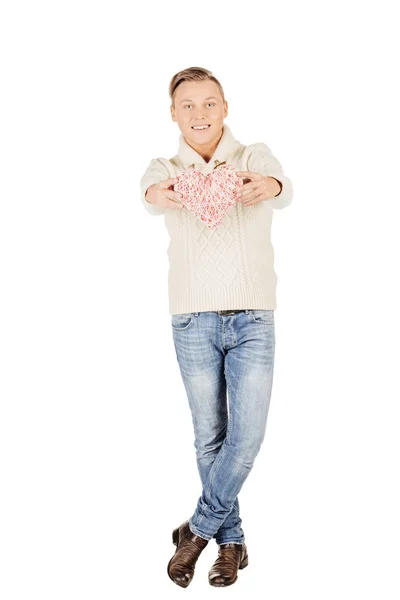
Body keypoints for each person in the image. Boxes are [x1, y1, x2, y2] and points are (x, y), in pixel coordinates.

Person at [140, 67, 293, 588]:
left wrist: (267, 185)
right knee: (210, 437)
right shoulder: (166, 168)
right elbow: (149, 194)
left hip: (252, 317)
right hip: (192, 319)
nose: (200, 114)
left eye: (209, 104)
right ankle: (232, 544)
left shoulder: (253, 158)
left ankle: (198, 532)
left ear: (225, 108)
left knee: (245, 438)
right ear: (174, 113)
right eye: (188, 105)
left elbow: (283, 187)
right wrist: (163, 193)